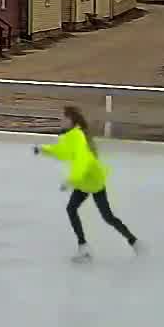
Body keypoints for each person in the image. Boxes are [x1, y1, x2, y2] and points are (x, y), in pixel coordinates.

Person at [35, 106, 140, 260]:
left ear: (71, 120)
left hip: (92, 180)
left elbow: (82, 162)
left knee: (107, 216)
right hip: (84, 181)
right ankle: (83, 246)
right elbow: (63, 151)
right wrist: (43, 149)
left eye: (63, 118)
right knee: (73, 209)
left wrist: (71, 180)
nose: (60, 121)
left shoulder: (78, 137)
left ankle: (133, 241)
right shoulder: (71, 135)